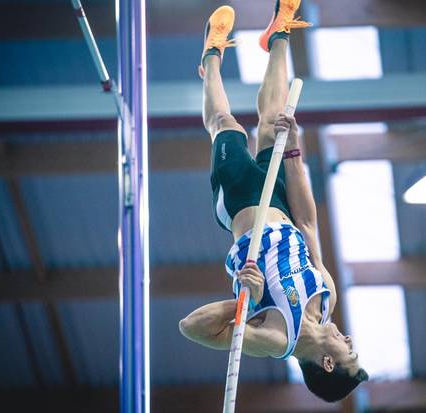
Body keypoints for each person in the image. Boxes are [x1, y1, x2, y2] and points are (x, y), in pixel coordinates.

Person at [178, 0, 368, 402]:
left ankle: (211, 56)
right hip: (280, 197)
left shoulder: (277, 338)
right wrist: (295, 153)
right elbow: (309, 223)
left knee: (225, 125)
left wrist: (240, 301)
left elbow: (191, 327)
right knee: (275, 122)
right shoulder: (327, 294)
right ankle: (279, 33)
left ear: (328, 363)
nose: (349, 340)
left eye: (349, 352)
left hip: (241, 206)